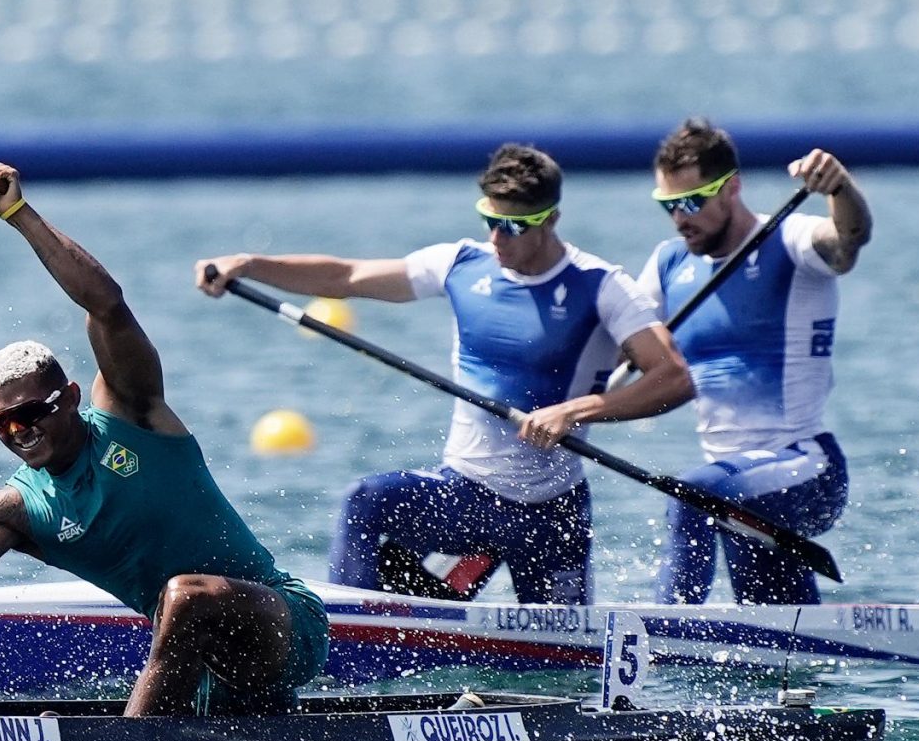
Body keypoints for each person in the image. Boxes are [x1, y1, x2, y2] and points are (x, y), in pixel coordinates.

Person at [196, 142, 692, 605]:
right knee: (366, 503)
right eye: (489, 221)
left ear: (551, 219)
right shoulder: (460, 264)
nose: (498, 238)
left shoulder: (602, 287)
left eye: (515, 227)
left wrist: (576, 411)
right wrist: (249, 264)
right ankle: (351, 643)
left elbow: (672, 377)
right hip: (466, 494)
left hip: (551, 513)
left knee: (566, 664)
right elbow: (344, 277)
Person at [0, 162, 330, 717]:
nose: (21, 432)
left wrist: (19, 216)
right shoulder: (14, 510)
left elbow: (107, 305)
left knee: (186, 595)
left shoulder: (131, 415)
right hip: (198, 671)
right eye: (4, 424)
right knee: (181, 604)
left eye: (31, 413)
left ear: (70, 397)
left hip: (283, 628)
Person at [601, 117, 870, 605]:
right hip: (732, 481)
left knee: (690, 494)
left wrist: (841, 188)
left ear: (732, 188)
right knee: (783, 636)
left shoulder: (790, 240)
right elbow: (614, 345)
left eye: (691, 202)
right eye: (669, 206)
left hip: (805, 468)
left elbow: (849, 240)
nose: (680, 218)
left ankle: (659, 641)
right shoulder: (669, 264)